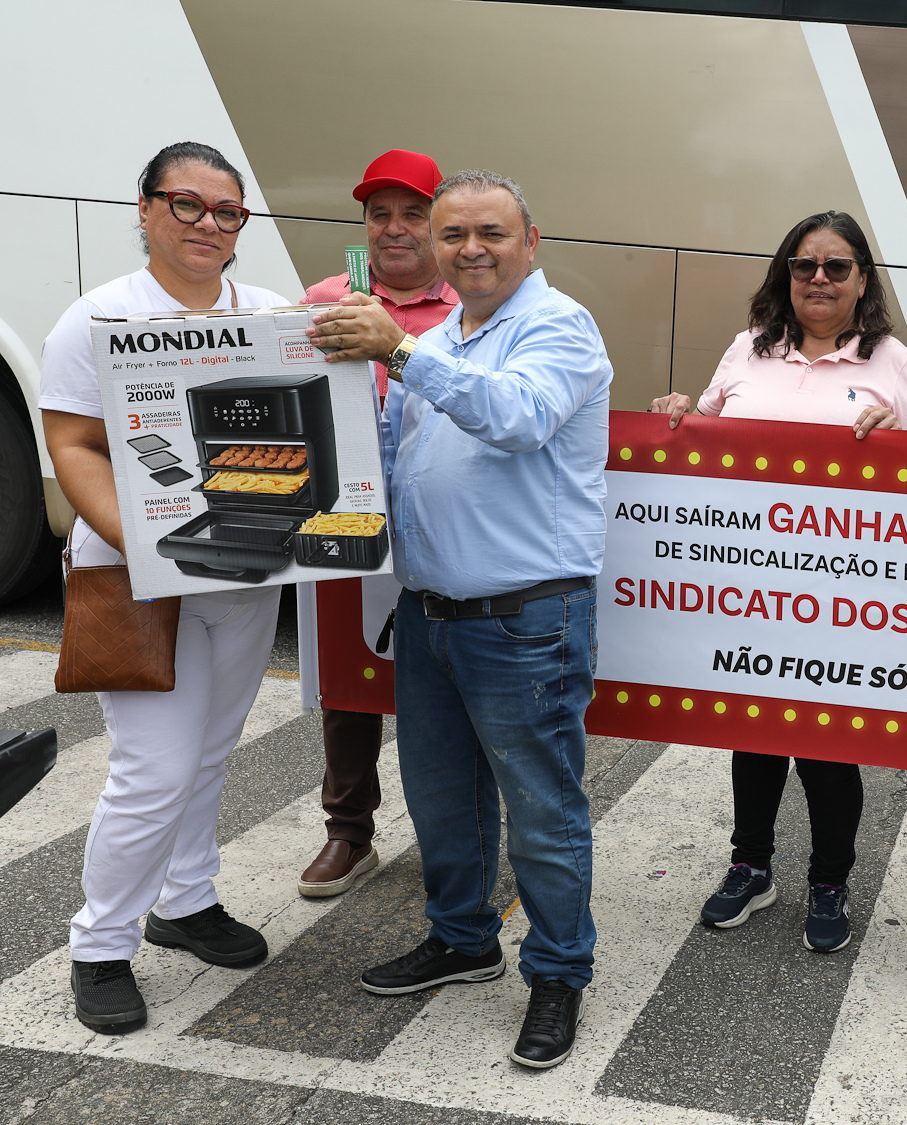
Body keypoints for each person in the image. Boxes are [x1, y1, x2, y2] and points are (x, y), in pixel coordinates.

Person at [304, 169, 611, 1069]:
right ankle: (463, 937)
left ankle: (558, 972)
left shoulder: (558, 325)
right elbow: (400, 463)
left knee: (542, 809)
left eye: (491, 232)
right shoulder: (452, 335)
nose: (471, 248)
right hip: (432, 614)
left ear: (532, 240)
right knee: (443, 800)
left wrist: (399, 350)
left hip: (526, 620)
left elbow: (517, 419)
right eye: (454, 234)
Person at [40, 142, 292, 1035]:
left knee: (212, 751)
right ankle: (100, 946)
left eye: (227, 212)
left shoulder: (270, 314)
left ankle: (184, 900)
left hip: (246, 574)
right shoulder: (99, 316)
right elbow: (72, 444)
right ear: (144, 209)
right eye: (187, 205)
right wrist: (144, 541)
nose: (208, 225)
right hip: (140, 581)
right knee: (153, 769)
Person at [649, 210, 907, 953]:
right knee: (752, 734)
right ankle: (751, 865)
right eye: (805, 264)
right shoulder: (749, 350)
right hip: (749, 590)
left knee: (826, 743)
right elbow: (704, 429)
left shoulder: (893, 362)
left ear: (863, 281)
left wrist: (901, 442)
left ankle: (830, 879)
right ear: (786, 273)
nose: (819, 278)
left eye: (836, 266)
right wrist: (678, 413)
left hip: (846, 599)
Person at [295, 149, 458, 899]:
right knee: (350, 677)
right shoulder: (327, 296)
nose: (394, 229)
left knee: (455, 676)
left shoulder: (470, 302)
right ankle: (348, 831)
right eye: (379, 214)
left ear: (439, 221)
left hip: (445, 522)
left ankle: (460, 836)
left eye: (413, 213)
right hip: (347, 515)